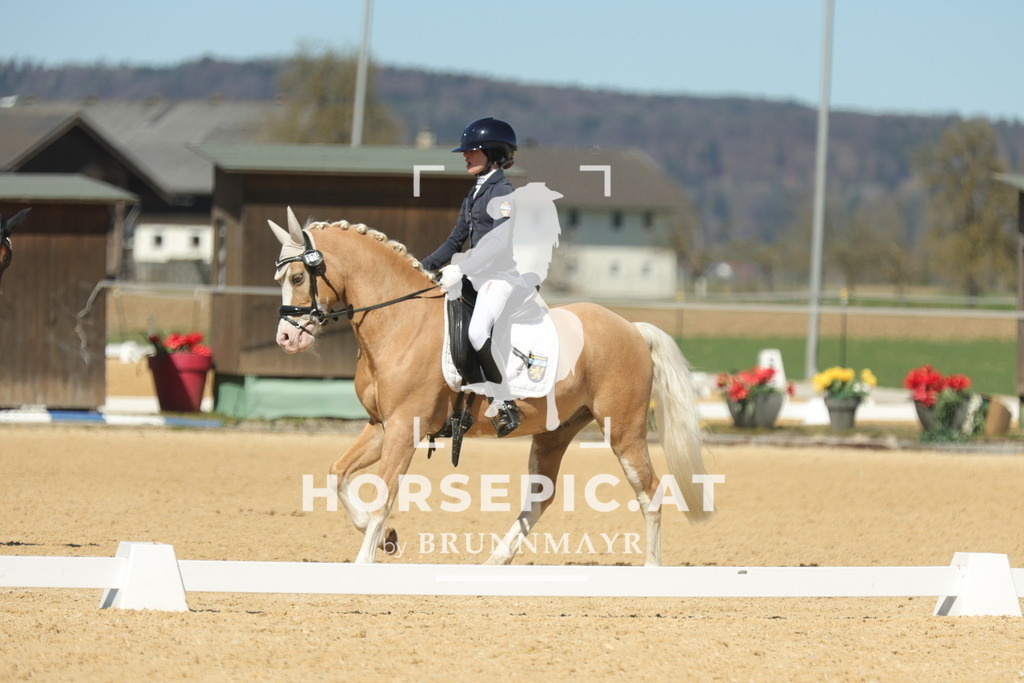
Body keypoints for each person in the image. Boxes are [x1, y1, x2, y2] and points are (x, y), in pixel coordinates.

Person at [421, 117, 521, 436]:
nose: (465, 155)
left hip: (500, 277)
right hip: (474, 277)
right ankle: (456, 408)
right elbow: (454, 241)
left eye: (472, 151)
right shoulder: (475, 191)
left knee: (477, 332)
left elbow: (497, 241)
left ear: (493, 153)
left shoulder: (504, 192)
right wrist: (419, 269)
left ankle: (506, 403)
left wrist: (461, 267)